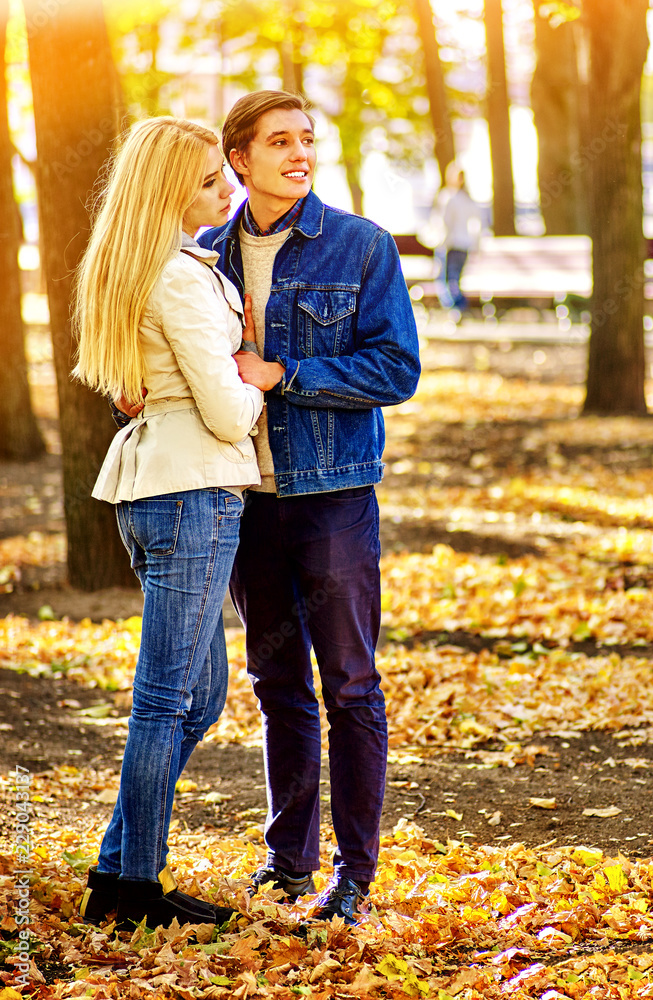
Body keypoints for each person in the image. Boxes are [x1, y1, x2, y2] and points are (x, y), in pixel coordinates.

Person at [196, 90, 421, 926]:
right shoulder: (204, 255)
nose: (299, 153)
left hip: (332, 501)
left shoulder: (359, 246)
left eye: (307, 140)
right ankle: (287, 862)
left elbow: (395, 369)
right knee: (276, 683)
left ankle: (354, 875)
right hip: (242, 501)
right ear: (239, 159)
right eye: (279, 141)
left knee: (351, 686)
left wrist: (286, 373)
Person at [73, 117, 264, 931]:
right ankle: (135, 891)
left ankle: (118, 864)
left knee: (203, 694)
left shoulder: (150, 264)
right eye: (211, 182)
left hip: (164, 490)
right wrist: (259, 372)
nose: (228, 191)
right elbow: (226, 413)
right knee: (163, 700)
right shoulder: (179, 276)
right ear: (169, 192)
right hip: (193, 491)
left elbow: (135, 383)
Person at [433, 161, 481, 318]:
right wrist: (475, 243)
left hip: (450, 244)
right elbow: (478, 222)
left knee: (446, 281)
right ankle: (459, 310)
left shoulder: (448, 197)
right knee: (456, 280)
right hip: (464, 244)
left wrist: (442, 243)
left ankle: (458, 309)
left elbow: (445, 223)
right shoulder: (467, 198)